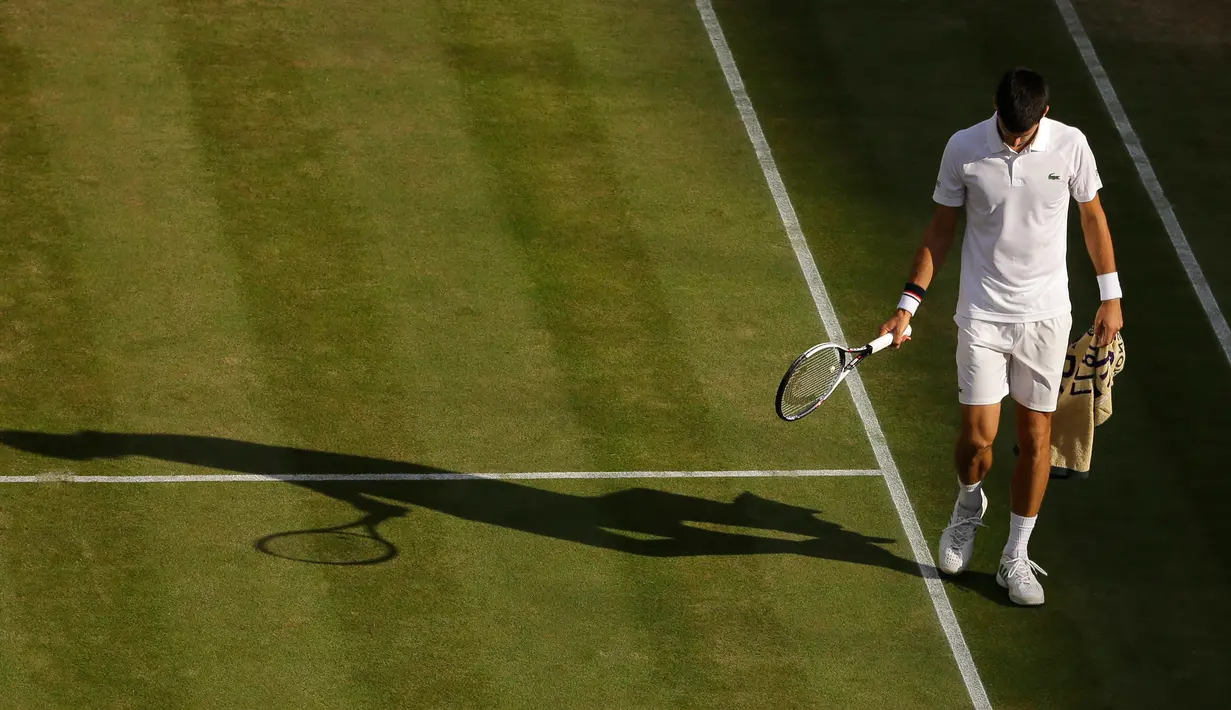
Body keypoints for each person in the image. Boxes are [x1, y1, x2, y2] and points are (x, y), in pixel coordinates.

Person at [878, 68, 1124, 606]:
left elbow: (1093, 218)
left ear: (1045, 114)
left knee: (1036, 438)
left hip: (1046, 317)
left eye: (1025, 133)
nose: (1015, 141)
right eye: (1009, 131)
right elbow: (941, 228)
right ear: (996, 108)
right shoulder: (964, 148)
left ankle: (1015, 554)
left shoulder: (1072, 146)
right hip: (983, 314)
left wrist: (1111, 296)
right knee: (977, 438)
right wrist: (907, 303)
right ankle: (969, 505)